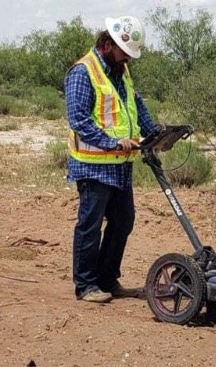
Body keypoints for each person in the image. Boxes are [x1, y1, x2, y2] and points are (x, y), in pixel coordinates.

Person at [65, 15, 156, 303]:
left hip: (119, 164)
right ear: (107, 44)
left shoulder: (121, 70)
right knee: (90, 224)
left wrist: (154, 133)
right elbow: (79, 120)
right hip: (92, 165)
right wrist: (112, 142)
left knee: (123, 220)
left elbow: (135, 104)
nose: (128, 59)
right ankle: (86, 285)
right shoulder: (83, 72)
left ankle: (107, 278)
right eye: (124, 53)